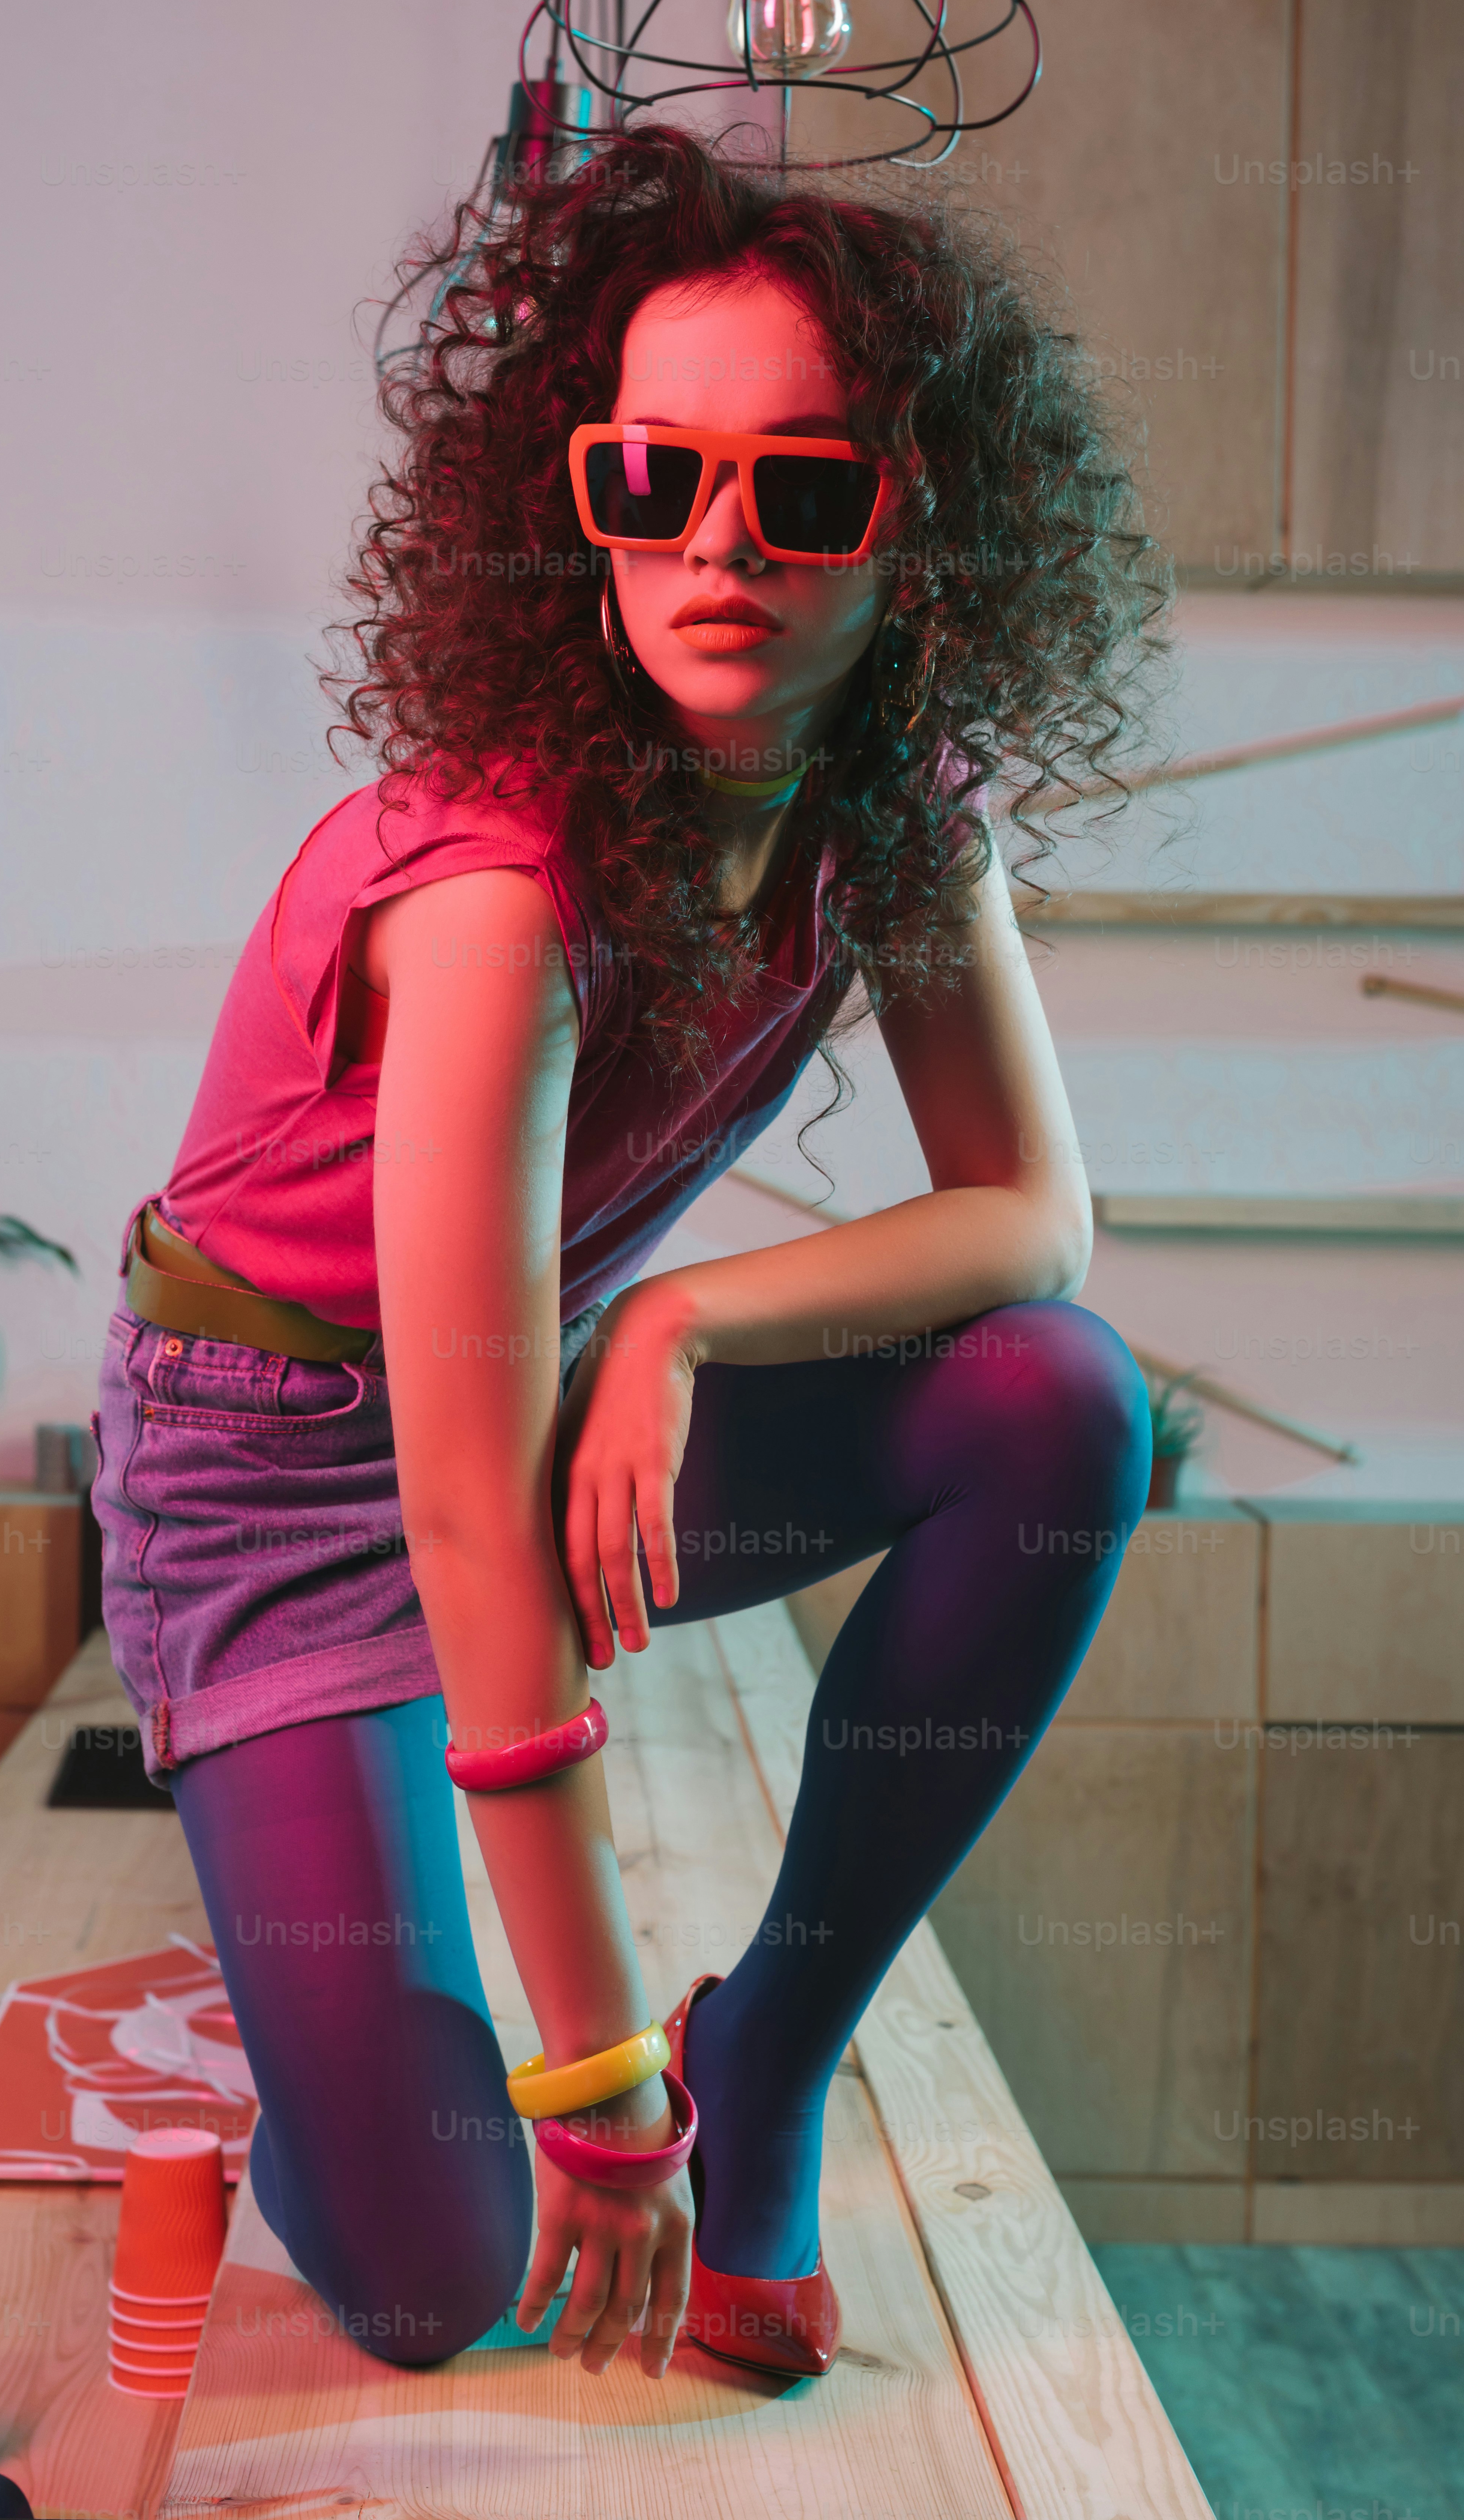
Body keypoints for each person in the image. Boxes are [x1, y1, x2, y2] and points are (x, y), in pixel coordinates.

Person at [90, 123, 1165, 2388]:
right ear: (565, 500)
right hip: (279, 1482)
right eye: (649, 478)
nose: (714, 547)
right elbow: (463, 1513)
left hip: (545, 1393)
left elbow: (1030, 1222)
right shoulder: (493, 897)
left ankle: (769, 2046)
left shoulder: (891, 817)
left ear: (919, 527)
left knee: (1059, 1404)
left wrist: (680, 1308)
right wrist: (594, 2098)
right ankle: (351, 2044)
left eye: (802, 491)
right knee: (428, 2284)